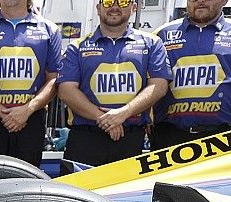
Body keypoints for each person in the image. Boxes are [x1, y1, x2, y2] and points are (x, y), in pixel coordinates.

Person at [57, 0, 171, 169]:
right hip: (85, 137)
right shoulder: (77, 47)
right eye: (108, 1)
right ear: (98, 8)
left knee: (127, 195)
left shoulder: (152, 43)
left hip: (131, 137)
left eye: (123, 2)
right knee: (75, 194)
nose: (115, 7)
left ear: (133, 8)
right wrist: (105, 119)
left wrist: (124, 113)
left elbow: (160, 86)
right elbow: (66, 90)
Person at [0, 0, 62, 167]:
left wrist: (28, 109)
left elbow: (54, 79)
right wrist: (3, 113)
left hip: (31, 120)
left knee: (26, 186)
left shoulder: (50, 29)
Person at [151, 0, 231, 149]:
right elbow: (146, 83)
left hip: (223, 137)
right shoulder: (161, 34)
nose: (200, 1)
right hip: (169, 136)